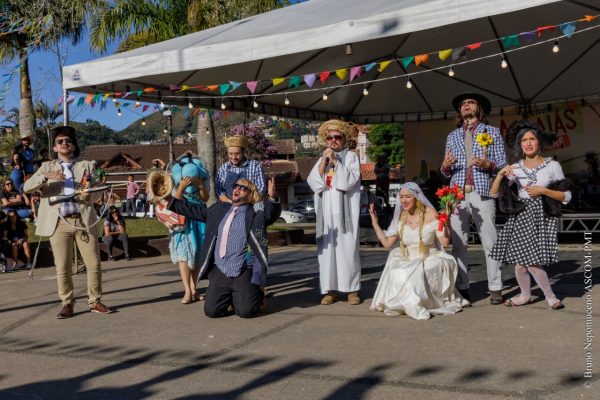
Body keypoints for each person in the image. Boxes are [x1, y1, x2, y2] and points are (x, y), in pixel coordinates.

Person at [24, 126, 113, 319]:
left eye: (68, 141)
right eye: (60, 141)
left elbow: (99, 188)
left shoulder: (86, 166)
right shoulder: (47, 167)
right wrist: (45, 176)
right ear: (54, 148)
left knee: (94, 263)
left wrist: (92, 195)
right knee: (62, 266)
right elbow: (27, 187)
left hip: (83, 220)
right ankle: (67, 303)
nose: (65, 144)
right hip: (59, 222)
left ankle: (95, 301)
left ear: (74, 145)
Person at [168, 177, 280, 318]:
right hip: (220, 269)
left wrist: (272, 197)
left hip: (242, 270)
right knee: (211, 311)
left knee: (246, 312)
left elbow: (270, 214)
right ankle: (231, 297)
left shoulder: (255, 214)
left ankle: (256, 294)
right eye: (235, 186)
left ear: (251, 195)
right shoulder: (219, 209)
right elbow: (192, 211)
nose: (237, 189)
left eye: (243, 187)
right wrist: (172, 196)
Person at [490, 121, 569, 310]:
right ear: (520, 145)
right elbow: (493, 194)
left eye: (532, 139)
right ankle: (528, 295)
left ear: (539, 142)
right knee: (521, 264)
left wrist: (543, 190)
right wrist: (501, 174)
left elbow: (566, 196)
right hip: (521, 216)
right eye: (524, 140)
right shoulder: (515, 168)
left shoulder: (553, 165)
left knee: (530, 262)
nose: (528, 143)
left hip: (541, 215)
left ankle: (546, 296)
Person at [440, 92, 507, 304]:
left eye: (471, 102)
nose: (466, 105)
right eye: (463, 104)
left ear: (480, 109)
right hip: (457, 194)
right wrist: (445, 166)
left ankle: (495, 287)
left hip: (483, 191)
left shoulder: (493, 132)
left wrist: (489, 165)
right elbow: (444, 171)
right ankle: (462, 287)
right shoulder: (452, 136)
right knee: (459, 243)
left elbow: (503, 164)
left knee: (490, 240)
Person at [369, 183, 468, 319]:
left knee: (416, 275)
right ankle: (406, 303)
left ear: (416, 197)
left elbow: (445, 242)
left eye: (408, 197)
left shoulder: (431, 214)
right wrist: (375, 223)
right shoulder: (401, 216)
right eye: (401, 197)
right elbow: (387, 243)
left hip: (430, 257)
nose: (404, 200)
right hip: (409, 258)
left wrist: (447, 221)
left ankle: (412, 304)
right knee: (398, 270)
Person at [307, 120, 362, 305]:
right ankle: (330, 290)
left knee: (347, 251)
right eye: (329, 137)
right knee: (327, 253)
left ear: (344, 139)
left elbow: (347, 182)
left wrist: (336, 162)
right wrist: (324, 162)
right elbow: (314, 182)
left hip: (345, 214)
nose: (333, 141)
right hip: (326, 215)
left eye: (337, 137)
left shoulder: (351, 158)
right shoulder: (322, 159)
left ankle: (352, 290)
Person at [169, 154, 209, 304]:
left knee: (197, 255)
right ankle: (187, 291)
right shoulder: (176, 180)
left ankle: (194, 289)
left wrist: (200, 186)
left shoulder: (202, 179)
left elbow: (205, 198)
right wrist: (181, 187)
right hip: (182, 221)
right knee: (183, 256)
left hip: (199, 219)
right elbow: (175, 202)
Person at [216, 135, 266, 203]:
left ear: (243, 152)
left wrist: (244, 202)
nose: (233, 157)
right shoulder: (223, 168)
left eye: (237, 154)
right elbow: (219, 190)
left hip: (251, 204)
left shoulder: (255, 166)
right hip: (228, 204)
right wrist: (230, 201)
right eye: (230, 154)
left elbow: (261, 189)